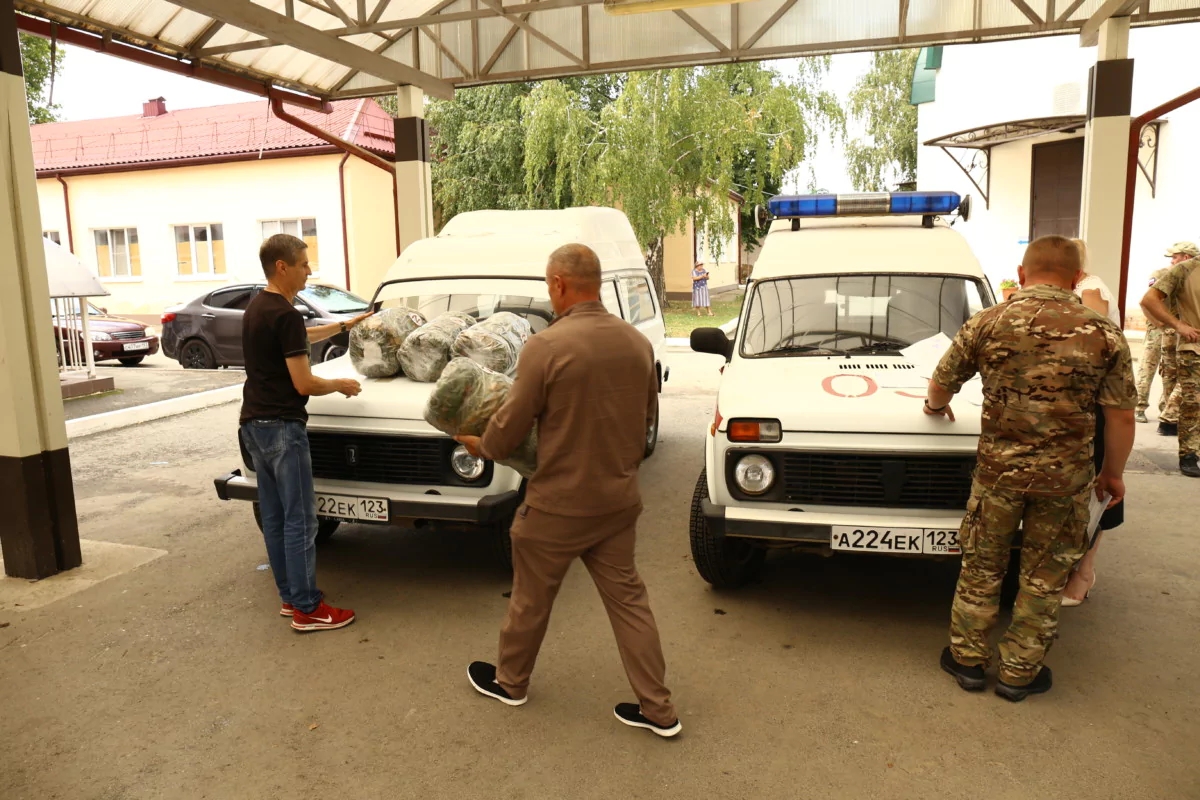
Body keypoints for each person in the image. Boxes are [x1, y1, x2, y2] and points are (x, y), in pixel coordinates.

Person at [455, 243, 680, 738]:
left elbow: (511, 427)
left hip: (557, 504)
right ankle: (659, 710)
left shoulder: (547, 345)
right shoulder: (636, 343)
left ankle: (512, 682)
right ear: (595, 283)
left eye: (547, 285)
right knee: (629, 602)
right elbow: (644, 424)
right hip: (617, 501)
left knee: (531, 599)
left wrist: (480, 443)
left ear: (557, 284)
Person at [924, 235, 1136, 702]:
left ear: (1022, 274)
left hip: (998, 476)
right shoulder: (1102, 332)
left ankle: (967, 662)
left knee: (982, 565)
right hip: (1064, 482)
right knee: (1044, 577)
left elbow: (942, 383)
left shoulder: (988, 322)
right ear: (1078, 277)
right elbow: (1120, 415)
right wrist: (1112, 473)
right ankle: (1019, 674)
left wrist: (935, 408)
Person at [240, 234, 371, 632]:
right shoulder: (284, 314)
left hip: (254, 426)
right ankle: (308, 609)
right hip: (282, 427)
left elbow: (296, 339)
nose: (309, 271)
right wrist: (340, 384)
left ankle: (290, 598)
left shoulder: (259, 308)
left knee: (277, 518)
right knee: (302, 521)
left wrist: (344, 325)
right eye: (303, 264)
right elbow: (303, 383)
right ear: (282, 267)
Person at [1062, 238, 1125, 605]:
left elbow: (1094, 336)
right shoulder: (1075, 288)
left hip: (1096, 404)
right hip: (1074, 405)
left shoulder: (1089, 289)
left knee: (1099, 487)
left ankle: (1084, 573)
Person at [1141, 241, 1200, 477]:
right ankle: (1189, 454)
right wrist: (1177, 325)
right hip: (1194, 346)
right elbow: (1149, 299)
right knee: (1193, 403)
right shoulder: (1185, 269)